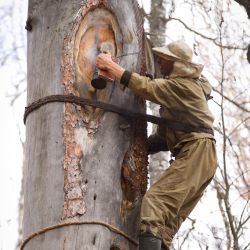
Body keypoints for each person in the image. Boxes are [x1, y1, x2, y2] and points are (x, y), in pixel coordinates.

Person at [96, 40, 217, 250]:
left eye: (164, 58)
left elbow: (147, 87)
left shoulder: (182, 86)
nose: (160, 61)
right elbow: (161, 140)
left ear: (175, 63)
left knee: (154, 205)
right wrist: (133, 145)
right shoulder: (176, 98)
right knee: (165, 228)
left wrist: (112, 67)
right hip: (201, 155)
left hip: (196, 151)